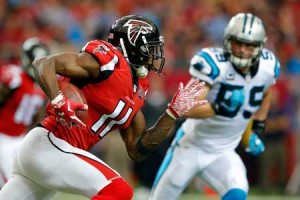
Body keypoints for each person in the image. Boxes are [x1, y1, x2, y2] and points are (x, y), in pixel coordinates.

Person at [0, 15, 207, 200]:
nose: (155, 54)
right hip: (50, 143)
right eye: (149, 47)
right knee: (118, 190)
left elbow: (137, 149)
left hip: (52, 152)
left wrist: (171, 114)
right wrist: (58, 100)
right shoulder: (109, 60)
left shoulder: (139, 88)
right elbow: (44, 63)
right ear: (133, 45)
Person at [150, 12, 280, 200]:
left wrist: (258, 127)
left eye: (249, 45)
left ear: (260, 46)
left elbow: (266, 93)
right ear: (227, 40)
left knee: (237, 192)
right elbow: (183, 107)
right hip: (191, 147)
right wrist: (217, 108)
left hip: (224, 151)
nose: (243, 50)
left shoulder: (267, 67)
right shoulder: (215, 65)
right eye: (238, 43)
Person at [0, 37, 49, 189]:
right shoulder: (14, 77)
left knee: (27, 180)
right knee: (12, 181)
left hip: (20, 138)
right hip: (3, 136)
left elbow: (36, 116)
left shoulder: (41, 85)